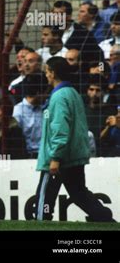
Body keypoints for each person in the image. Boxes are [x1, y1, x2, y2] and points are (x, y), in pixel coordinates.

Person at [34, 57, 115, 222]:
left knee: (45, 195)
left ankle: (41, 221)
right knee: (79, 193)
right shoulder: (73, 93)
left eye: (47, 71)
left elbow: (60, 128)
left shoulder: (58, 96)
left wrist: (55, 157)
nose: (46, 75)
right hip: (74, 156)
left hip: (59, 157)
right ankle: (104, 217)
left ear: (53, 73)